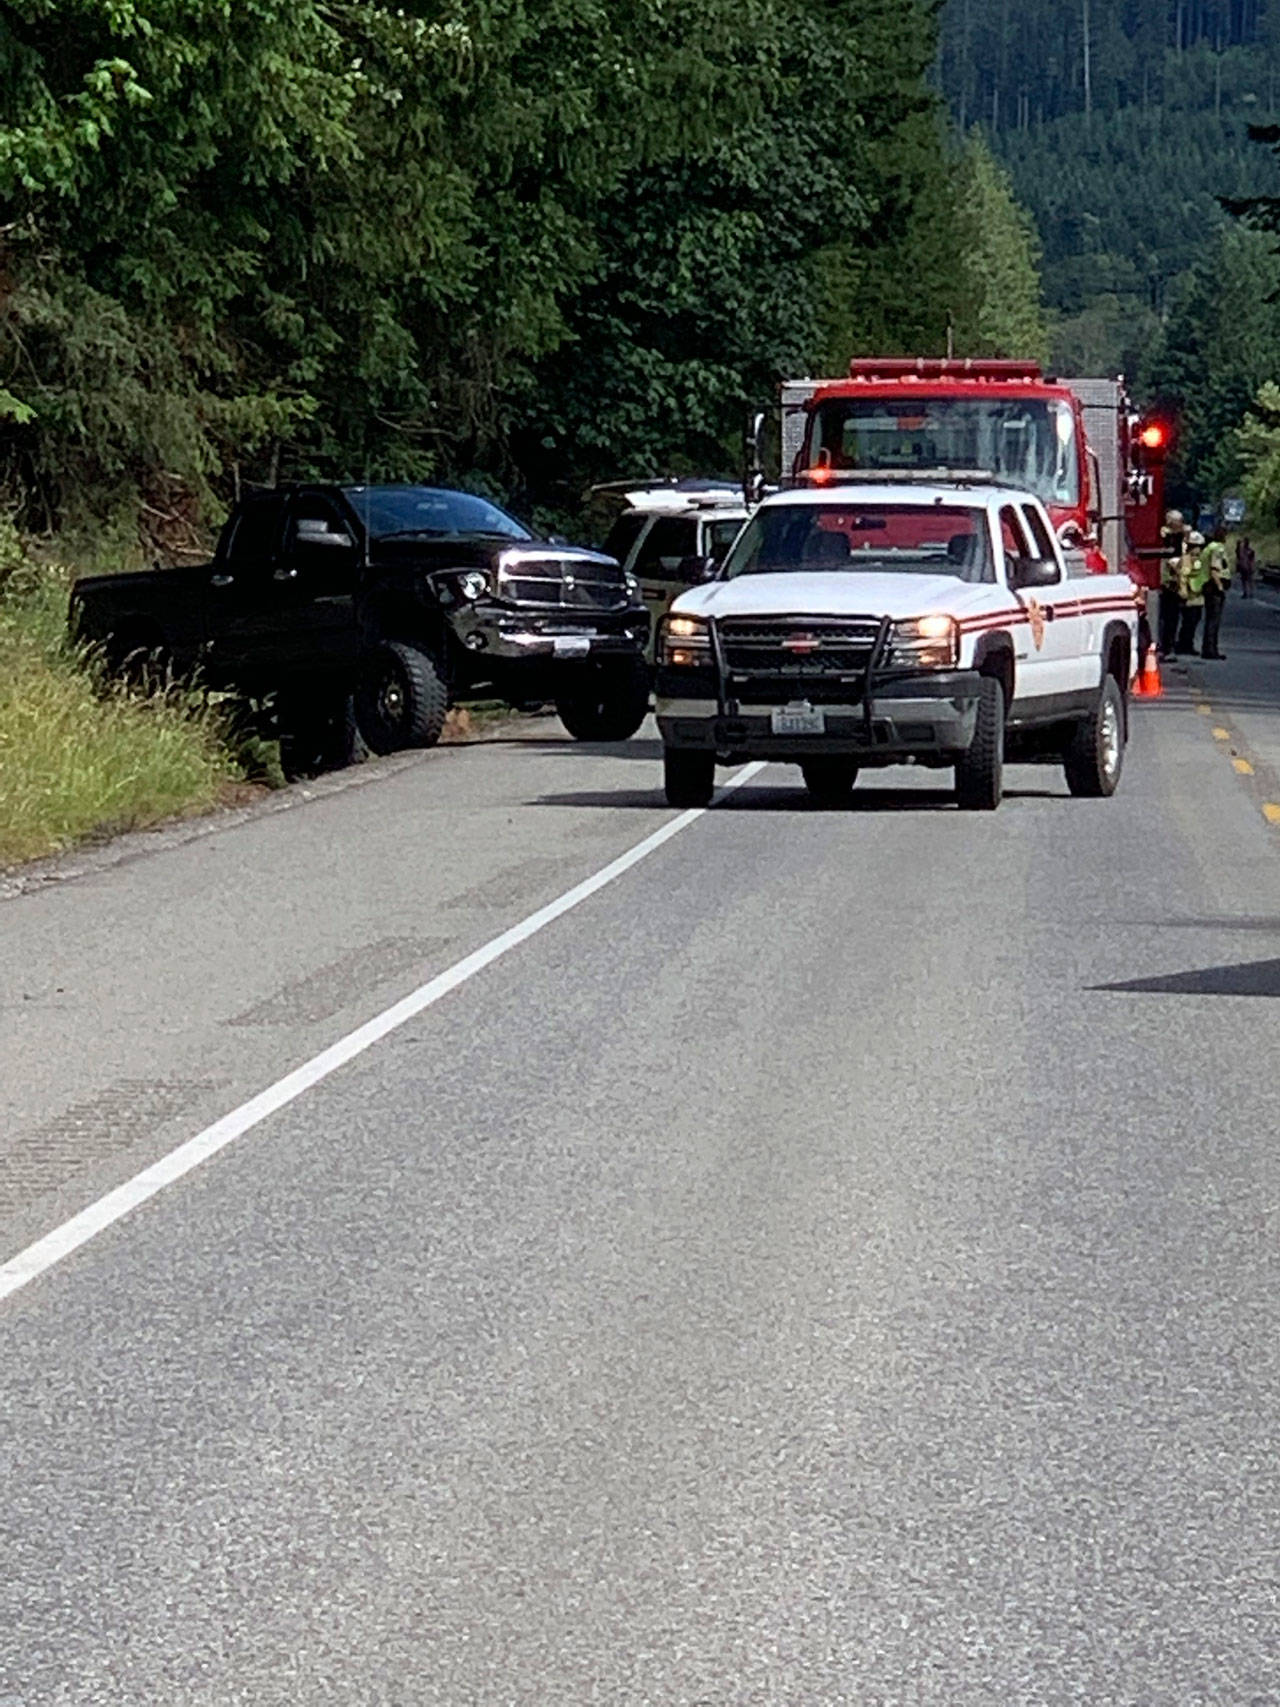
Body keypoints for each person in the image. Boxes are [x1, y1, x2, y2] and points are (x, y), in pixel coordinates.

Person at [1158, 508, 1187, 657]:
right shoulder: (1164, 535)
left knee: (1173, 618)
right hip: (1168, 584)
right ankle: (1165, 646)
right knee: (1168, 618)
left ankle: (1168, 645)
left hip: (1174, 583)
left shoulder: (1180, 538)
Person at [1200, 529, 1231, 659]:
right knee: (1214, 620)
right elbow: (1214, 569)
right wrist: (1220, 587)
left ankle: (1208, 648)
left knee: (1210, 619)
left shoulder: (1209, 547)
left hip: (1208, 587)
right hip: (1214, 588)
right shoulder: (1218, 549)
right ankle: (1210, 650)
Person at [1175, 529, 1206, 656]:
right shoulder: (1187, 560)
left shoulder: (1198, 560)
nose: (1198, 549)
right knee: (1189, 622)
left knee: (1193, 621)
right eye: (1196, 546)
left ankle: (1188, 644)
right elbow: (1183, 576)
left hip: (1197, 595)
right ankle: (1185, 645)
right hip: (1190, 596)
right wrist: (1183, 591)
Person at [1236, 534, 1257, 599]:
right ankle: (1247, 592)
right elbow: (1238, 555)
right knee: (1245, 580)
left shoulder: (1250, 550)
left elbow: (1251, 559)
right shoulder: (1242, 550)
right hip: (1244, 566)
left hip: (1247, 566)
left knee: (1248, 580)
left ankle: (1249, 592)